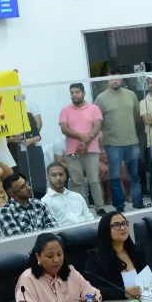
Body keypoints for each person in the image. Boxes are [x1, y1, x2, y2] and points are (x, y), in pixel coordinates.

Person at [15, 233, 94, 302]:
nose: (56, 260)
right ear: (38, 257)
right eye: (50, 256)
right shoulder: (27, 279)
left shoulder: (70, 271)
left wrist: (91, 299)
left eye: (59, 254)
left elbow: (91, 292)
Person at [95, 76, 144, 210]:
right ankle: (119, 205)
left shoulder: (131, 95)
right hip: (112, 143)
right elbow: (97, 120)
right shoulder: (101, 98)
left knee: (134, 173)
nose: (114, 81)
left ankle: (138, 202)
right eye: (111, 79)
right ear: (108, 81)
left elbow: (136, 115)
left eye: (117, 79)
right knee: (115, 176)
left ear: (121, 80)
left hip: (131, 141)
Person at [58, 83, 106, 211]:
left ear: (84, 93)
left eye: (77, 92)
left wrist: (85, 142)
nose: (74, 95)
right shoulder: (65, 110)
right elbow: (64, 129)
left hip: (91, 151)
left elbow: (97, 127)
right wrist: (81, 137)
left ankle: (99, 207)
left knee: (94, 180)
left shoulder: (94, 108)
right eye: (72, 92)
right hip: (72, 153)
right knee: (76, 182)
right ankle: (78, 209)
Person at [83, 209, 148, 300]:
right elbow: (95, 290)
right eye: (117, 225)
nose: (122, 228)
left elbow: (147, 277)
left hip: (146, 299)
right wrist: (123, 293)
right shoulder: (95, 259)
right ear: (106, 230)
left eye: (124, 223)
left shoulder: (137, 251)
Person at [0, 172, 57, 238]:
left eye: (26, 183)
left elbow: (54, 228)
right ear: (13, 194)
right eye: (22, 187)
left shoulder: (39, 204)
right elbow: (17, 239)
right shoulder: (5, 211)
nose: (28, 188)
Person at [41, 161, 94, 226]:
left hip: (86, 231)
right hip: (63, 234)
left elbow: (89, 217)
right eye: (54, 175)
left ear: (65, 176)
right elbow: (53, 226)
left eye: (61, 174)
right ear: (47, 177)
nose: (58, 178)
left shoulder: (77, 196)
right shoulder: (45, 202)